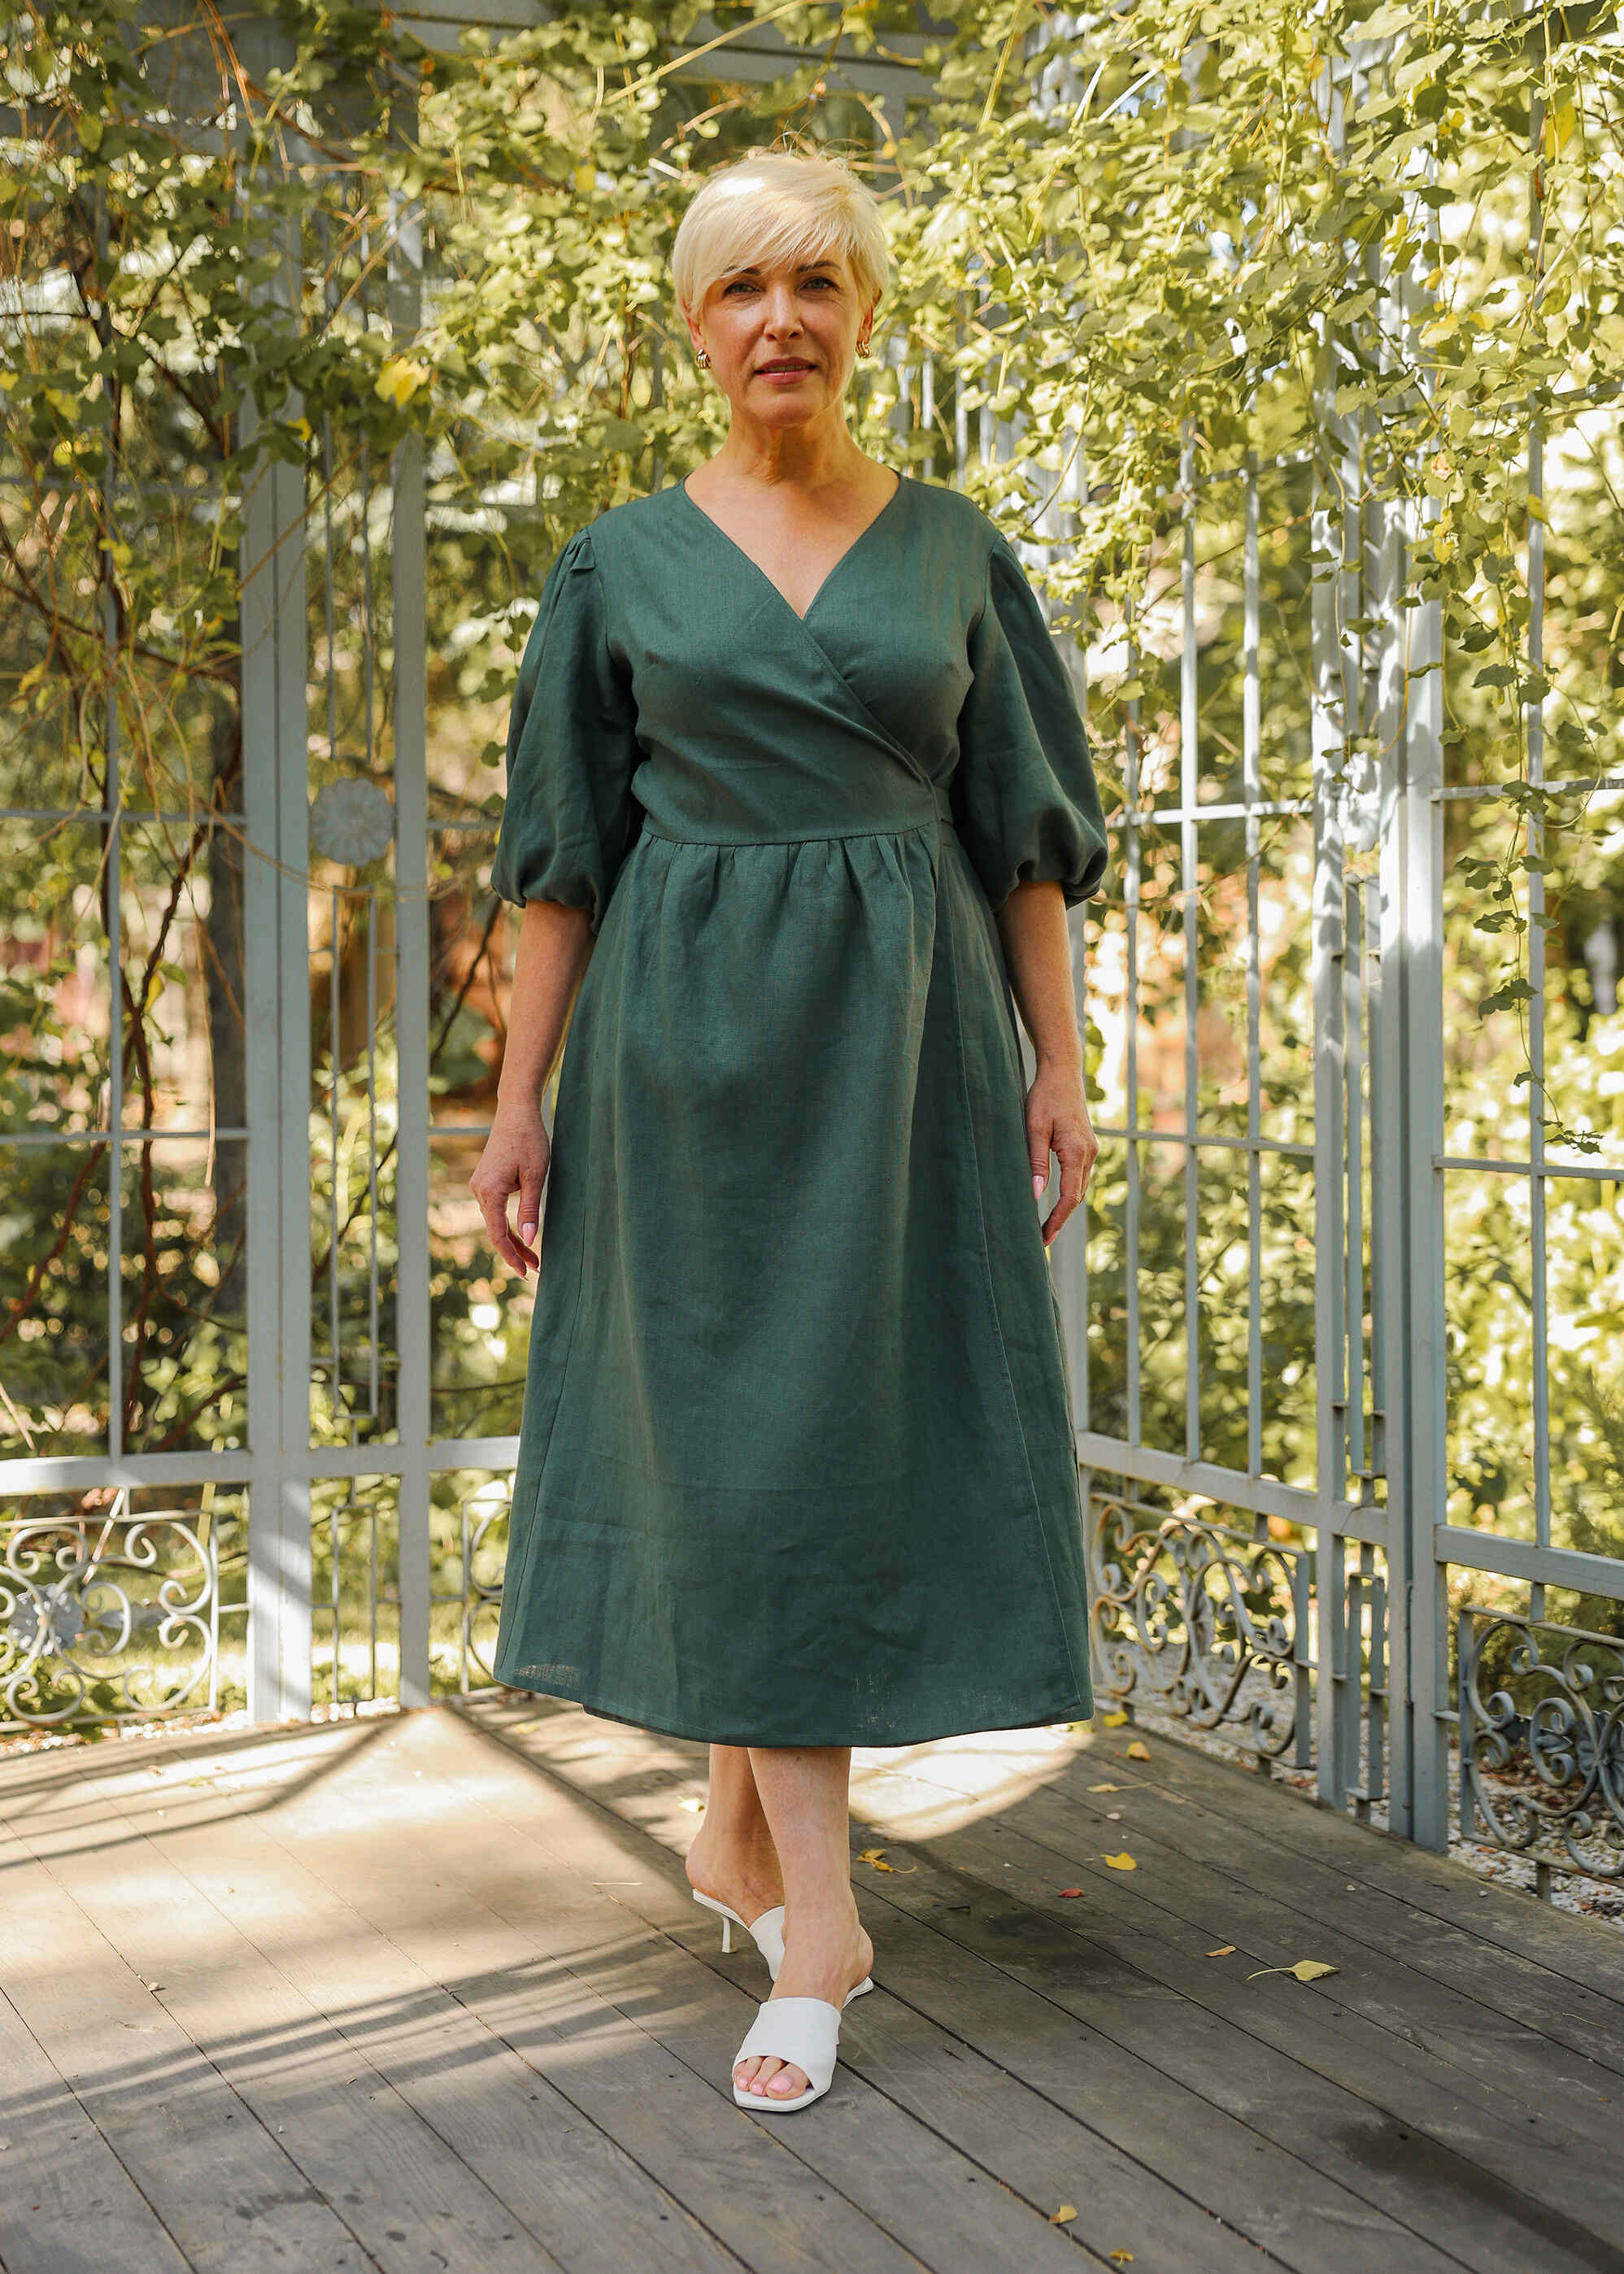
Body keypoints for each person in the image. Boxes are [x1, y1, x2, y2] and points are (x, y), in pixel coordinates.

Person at [469, 144, 1108, 2116]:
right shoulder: (618, 565)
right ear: (694, 324)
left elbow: (1025, 840)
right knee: (739, 1454)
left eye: (817, 283)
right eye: (744, 289)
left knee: (829, 1446)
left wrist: (1059, 1060)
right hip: (681, 1056)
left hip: (904, 1047)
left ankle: (754, 1853)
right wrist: (514, 1108)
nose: (781, 320)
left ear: (863, 314)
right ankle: (815, 1920)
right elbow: (562, 865)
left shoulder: (954, 551)